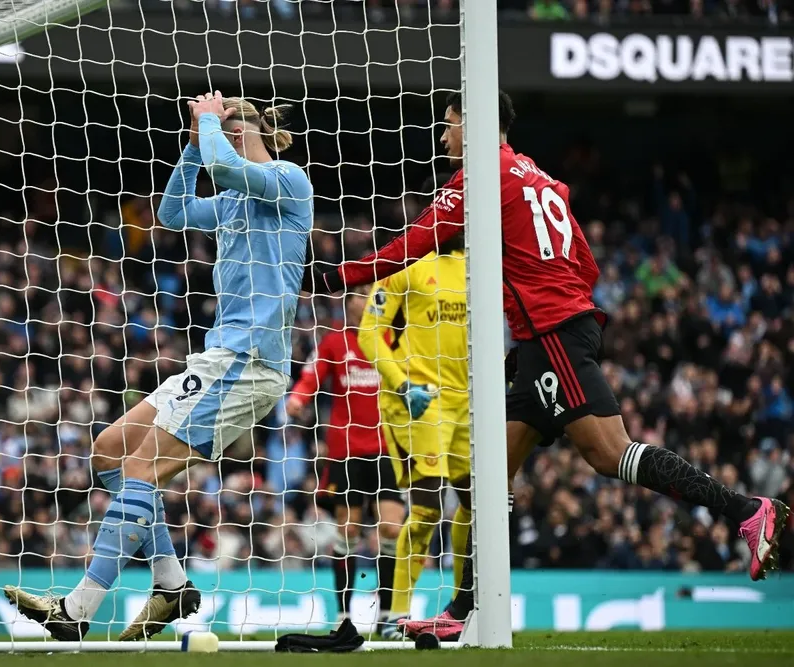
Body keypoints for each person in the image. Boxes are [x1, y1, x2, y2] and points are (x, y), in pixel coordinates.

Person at [307, 90, 789, 640]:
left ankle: (747, 510)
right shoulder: (541, 178)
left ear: (477, 125)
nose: (445, 137)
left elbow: (413, 243)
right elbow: (587, 261)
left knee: (609, 454)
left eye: (450, 126)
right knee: (489, 477)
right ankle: (460, 612)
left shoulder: (480, 178)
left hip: (552, 334)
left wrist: (334, 276)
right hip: (552, 335)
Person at [4, 91, 313, 641]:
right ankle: (171, 584)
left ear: (258, 127)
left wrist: (210, 132)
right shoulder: (231, 199)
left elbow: (225, 163)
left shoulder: (290, 180)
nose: (226, 130)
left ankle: (75, 612)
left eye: (233, 121)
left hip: (250, 362)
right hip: (219, 356)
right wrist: (194, 147)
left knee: (142, 470)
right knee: (109, 454)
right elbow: (171, 213)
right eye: (222, 123)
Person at [356, 178, 472, 638]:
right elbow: (369, 334)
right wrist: (403, 385)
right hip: (420, 404)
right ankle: (393, 615)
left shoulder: (476, 265)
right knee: (426, 510)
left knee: (475, 507)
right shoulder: (403, 262)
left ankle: (461, 607)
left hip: (468, 406)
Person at [286, 288, 404, 630]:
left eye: (371, 294)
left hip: (386, 447)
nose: (365, 300)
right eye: (358, 294)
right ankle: (343, 614)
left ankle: (386, 615)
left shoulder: (391, 337)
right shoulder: (334, 342)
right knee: (348, 532)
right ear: (347, 301)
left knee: (390, 528)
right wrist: (297, 399)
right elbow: (311, 375)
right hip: (346, 450)